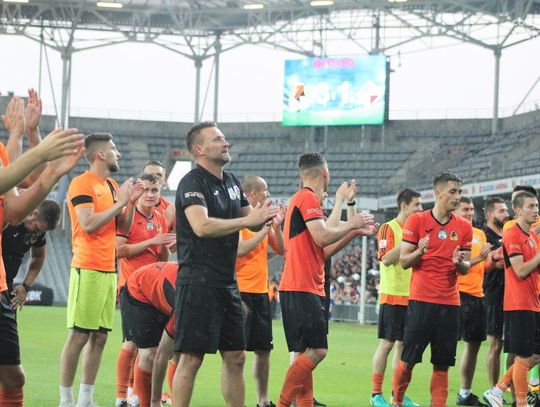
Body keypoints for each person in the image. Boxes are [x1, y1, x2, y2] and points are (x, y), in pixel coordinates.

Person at [173, 121, 278, 407]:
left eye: (224, 138)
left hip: (228, 283)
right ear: (199, 149)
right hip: (198, 282)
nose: (226, 143)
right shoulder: (192, 182)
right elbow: (202, 226)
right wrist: (248, 220)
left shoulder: (231, 182)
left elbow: (251, 221)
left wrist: (265, 216)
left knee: (236, 356)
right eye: (218, 139)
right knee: (191, 358)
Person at [0, 94, 85, 406]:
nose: (33, 225)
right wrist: (29, 142)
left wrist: (27, 137)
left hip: (2, 285)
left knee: (14, 377)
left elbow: (14, 198)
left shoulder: (31, 232)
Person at [277, 152, 375, 407]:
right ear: (325, 174)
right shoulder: (306, 197)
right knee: (318, 351)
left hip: (303, 286)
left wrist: (354, 231)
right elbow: (323, 237)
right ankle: (282, 403)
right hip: (301, 286)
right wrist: (352, 223)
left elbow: (323, 249)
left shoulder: (302, 199)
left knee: (305, 352)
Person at [59, 133, 144, 407]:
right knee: (79, 335)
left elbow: (123, 228)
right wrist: (121, 202)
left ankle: (85, 399)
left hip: (109, 269)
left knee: (100, 337)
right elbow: (88, 224)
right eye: (114, 148)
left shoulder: (112, 185)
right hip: (87, 267)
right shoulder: (81, 183)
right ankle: (65, 400)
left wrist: (130, 202)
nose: (118, 153)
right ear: (101, 154)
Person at [391, 171, 473, 407]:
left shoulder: (464, 226)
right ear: (438, 193)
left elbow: (466, 268)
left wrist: (459, 263)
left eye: (459, 192)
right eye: (452, 192)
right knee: (408, 360)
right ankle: (397, 401)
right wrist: (420, 251)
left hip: (450, 304)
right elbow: (404, 261)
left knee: (442, 364)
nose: (457, 197)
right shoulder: (417, 221)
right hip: (421, 302)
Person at [115, 172, 175, 407]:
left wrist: (166, 242)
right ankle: (122, 396)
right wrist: (152, 241)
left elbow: (163, 257)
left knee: (152, 349)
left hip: (154, 292)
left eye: (155, 190)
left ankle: (139, 395)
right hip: (133, 290)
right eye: (146, 190)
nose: (150, 195)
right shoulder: (129, 215)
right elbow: (120, 250)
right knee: (131, 344)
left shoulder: (160, 217)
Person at [483, 191, 540, 407]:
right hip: (519, 304)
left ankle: (497, 390)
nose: (535, 210)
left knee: (534, 355)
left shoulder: (532, 236)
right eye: (530, 206)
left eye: (537, 206)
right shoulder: (512, 234)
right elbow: (521, 270)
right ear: (517, 210)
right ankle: (521, 402)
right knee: (523, 357)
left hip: (533, 302)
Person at [236, 175, 285, 407]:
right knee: (237, 354)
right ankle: (237, 402)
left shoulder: (265, 220)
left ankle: (263, 401)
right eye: (265, 190)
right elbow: (241, 250)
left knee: (264, 350)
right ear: (253, 194)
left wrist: (277, 225)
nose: (268, 194)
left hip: (261, 292)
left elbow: (280, 248)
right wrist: (265, 228)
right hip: (240, 292)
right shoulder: (238, 218)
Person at [370, 188, 422, 407]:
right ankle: (375, 394)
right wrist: (406, 242)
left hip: (413, 295)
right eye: (417, 204)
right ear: (404, 206)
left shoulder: (418, 229)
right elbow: (386, 259)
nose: (420, 208)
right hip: (392, 294)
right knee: (387, 344)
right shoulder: (388, 228)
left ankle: (397, 394)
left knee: (403, 345)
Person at [121, 261, 178, 407]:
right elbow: (161, 355)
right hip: (139, 292)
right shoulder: (183, 301)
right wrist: (155, 401)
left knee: (180, 353)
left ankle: (176, 402)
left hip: (162, 296)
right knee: (150, 355)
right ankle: (142, 401)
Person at [455, 196, 492, 406]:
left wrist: (492, 259)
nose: (470, 213)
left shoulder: (479, 234)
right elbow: (461, 266)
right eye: (465, 209)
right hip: (458, 294)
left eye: (471, 209)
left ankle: (465, 393)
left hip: (477, 295)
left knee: (474, 345)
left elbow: (481, 267)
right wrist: (481, 259)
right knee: (444, 347)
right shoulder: (453, 233)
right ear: (455, 211)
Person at [3, 199, 61, 308]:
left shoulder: (39, 233)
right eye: (37, 228)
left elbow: (38, 257)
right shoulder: (8, 216)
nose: (38, 233)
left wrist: (26, 286)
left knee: (8, 318)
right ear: (33, 214)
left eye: (42, 231)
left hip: (7, 283)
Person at [483, 197, 510, 390]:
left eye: (506, 210)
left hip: (511, 295)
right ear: (489, 214)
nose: (506, 214)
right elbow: (497, 263)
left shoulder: (506, 234)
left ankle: (508, 386)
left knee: (513, 345)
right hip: (493, 295)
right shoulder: (485, 237)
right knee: (496, 345)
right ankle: (494, 390)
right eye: (501, 211)